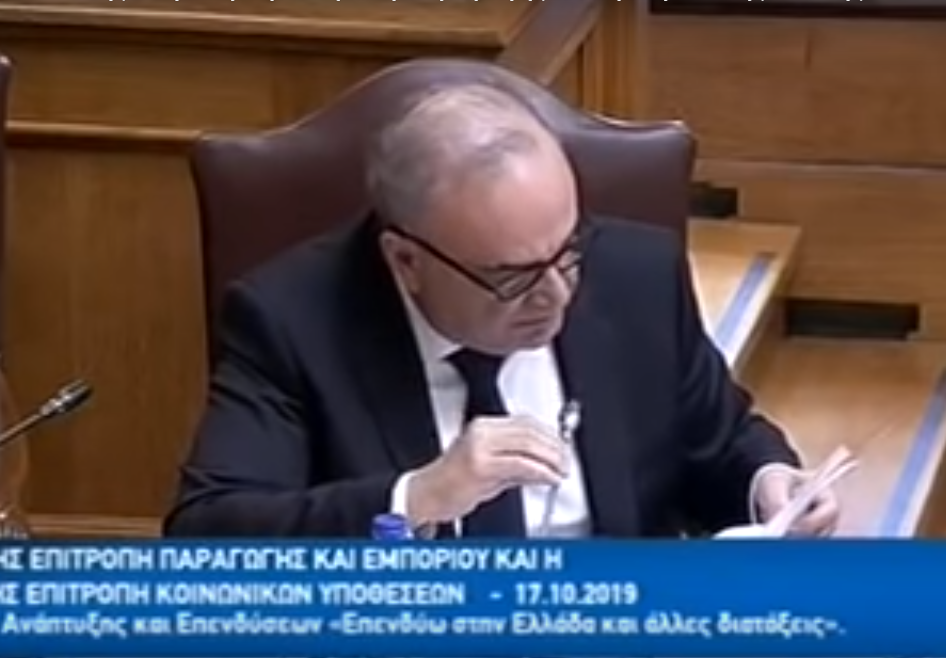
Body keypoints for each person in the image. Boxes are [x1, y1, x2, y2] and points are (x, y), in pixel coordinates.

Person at [164, 82, 840, 539]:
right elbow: (209, 533)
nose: (557, 295)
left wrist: (768, 484)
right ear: (406, 260)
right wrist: (415, 499)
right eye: (512, 278)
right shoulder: (291, 321)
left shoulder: (634, 275)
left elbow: (720, 441)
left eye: (568, 250)